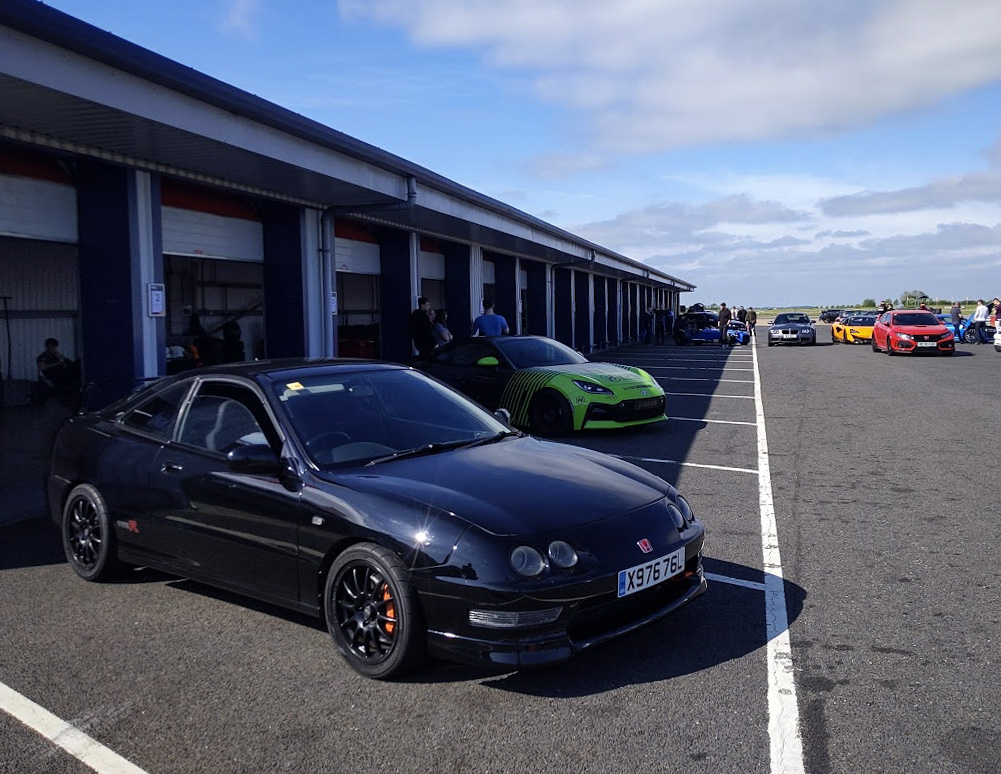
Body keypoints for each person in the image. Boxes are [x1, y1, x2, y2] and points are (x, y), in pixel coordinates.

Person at [36, 337, 80, 405]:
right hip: (51, 375)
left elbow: (66, 362)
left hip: (62, 374)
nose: (54, 349)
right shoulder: (43, 357)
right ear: (47, 347)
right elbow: (42, 368)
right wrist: (56, 363)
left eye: (55, 347)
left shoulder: (56, 355)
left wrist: (59, 357)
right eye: (52, 347)